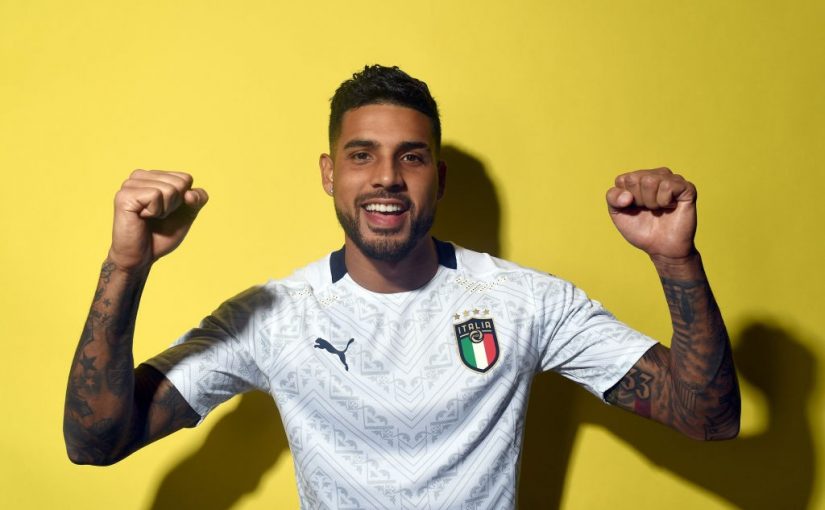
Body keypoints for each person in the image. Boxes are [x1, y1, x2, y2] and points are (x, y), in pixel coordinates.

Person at [64, 65, 740, 508]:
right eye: (362, 155)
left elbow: (706, 419)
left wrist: (675, 261)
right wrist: (126, 267)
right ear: (330, 174)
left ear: (437, 180)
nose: (386, 176)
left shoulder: (528, 302)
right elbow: (95, 442)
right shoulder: (273, 317)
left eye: (410, 157)